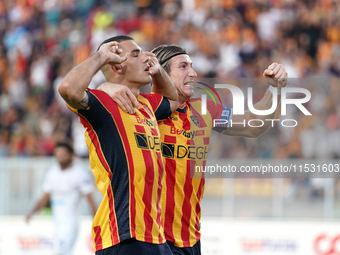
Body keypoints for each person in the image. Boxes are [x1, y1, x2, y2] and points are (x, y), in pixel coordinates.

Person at [98, 44, 288, 255]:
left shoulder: (203, 110)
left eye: (192, 66)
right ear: (160, 72)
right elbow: (88, 102)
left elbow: (254, 125)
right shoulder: (138, 108)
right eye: (183, 66)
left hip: (190, 239)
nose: (193, 73)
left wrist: (275, 89)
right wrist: (106, 88)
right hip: (151, 239)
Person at [57, 35, 179, 255]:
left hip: (155, 235)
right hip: (123, 234)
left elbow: (173, 99)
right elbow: (67, 88)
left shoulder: (147, 105)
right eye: (136, 54)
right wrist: (101, 56)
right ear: (117, 66)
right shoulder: (102, 102)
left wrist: (159, 71)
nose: (146, 58)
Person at [26, 142, 97, 255]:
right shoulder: (52, 172)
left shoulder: (80, 173)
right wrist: (32, 212)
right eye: (58, 153)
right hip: (57, 223)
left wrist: (96, 220)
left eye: (63, 153)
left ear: (71, 155)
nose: (60, 156)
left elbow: (90, 199)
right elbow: (45, 197)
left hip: (70, 224)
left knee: (60, 252)